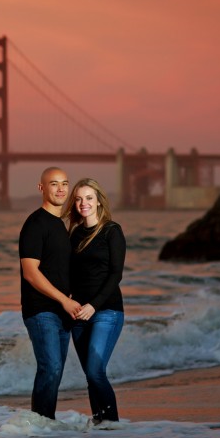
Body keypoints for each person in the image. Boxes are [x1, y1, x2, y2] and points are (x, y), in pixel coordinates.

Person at [18, 167, 81, 419]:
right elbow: (30, 273)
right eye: (54, 184)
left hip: (62, 311)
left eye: (65, 184)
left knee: (55, 371)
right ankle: (40, 423)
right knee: (51, 367)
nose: (61, 189)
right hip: (41, 309)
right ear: (41, 188)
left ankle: (45, 424)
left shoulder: (61, 225)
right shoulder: (35, 223)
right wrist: (64, 300)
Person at [63, 178, 126, 424]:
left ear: (99, 201)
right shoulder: (75, 234)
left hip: (106, 311)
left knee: (95, 371)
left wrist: (94, 306)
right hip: (79, 313)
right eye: (78, 199)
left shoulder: (112, 231)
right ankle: (100, 425)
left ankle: (112, 423)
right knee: (90, 376)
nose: (83, 203)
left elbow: (115, 274)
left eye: (89, 198)